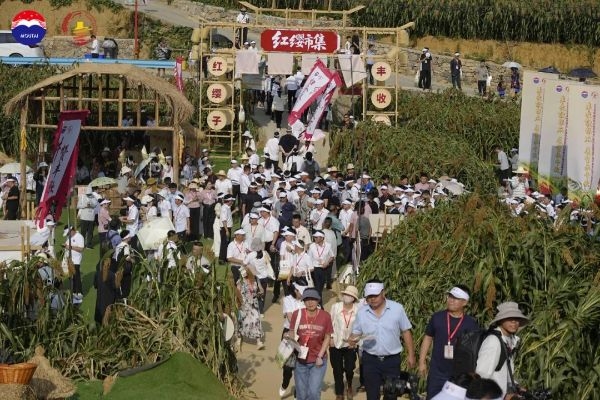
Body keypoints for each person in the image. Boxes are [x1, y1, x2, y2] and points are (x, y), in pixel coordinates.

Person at [348, 279, 416, 400]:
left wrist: (411, 355)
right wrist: (352, 339)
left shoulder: (397, 309)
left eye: (375, 295)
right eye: (369, 296)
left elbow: (406, 331)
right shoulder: (362, 312)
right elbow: (356, 332)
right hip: (370, 360)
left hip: (392, 361)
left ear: (383, 293)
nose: (372, 299)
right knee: (372, 395)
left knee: (391, 395)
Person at [418, 286, 480, 399]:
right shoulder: (437, 317)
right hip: (437, 372)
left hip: (459, 375)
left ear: (465, 302)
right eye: (450, 296)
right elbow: (428, 338)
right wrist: (422, 362)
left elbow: (474, 350)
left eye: (456, 298)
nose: (451, 300)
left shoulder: (471, 324)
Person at [285, 288, 333, 400]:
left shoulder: (325, 316)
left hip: (318, 360)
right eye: (307, 299)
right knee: (301, 394)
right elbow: (292, 331)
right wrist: (288, 336)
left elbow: (327, 337)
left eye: (313, 299)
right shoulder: (297, 314)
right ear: (303, 301)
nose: (310, 302)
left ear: (318, 300)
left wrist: (320, 356)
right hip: (300, 360)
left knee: (314, 392)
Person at [476, 302, 530, 398]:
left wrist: (516, 386)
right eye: (509, 318)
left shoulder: (510, 340)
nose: (514, 321)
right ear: (500, 320)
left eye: (516, 318)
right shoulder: (493, 341)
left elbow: (504, 373)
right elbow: (482, 376)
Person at [329, 285, 360, 400]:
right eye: (346, 294)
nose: (347, 296)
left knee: (349, 368)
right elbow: (330, 323)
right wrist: (331, 338)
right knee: (337, 369)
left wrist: (355, 341)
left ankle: (349, 385)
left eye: (350, 295)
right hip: (336, 343)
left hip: (350, 345)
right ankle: (339, 393)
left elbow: (361, 327)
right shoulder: (335, 307)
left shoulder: (358, 310)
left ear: (354, 298)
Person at [279, 281, 307, 398]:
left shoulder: (307, 300)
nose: (304, 294)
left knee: (301, 365)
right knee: (288, 366)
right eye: (302, 292)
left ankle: (297, 391)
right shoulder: (287, 300)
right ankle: (285, 383)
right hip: (289, 333)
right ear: (295, 290)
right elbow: (291, 317)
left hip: (305, 333)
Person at [236, 266, 265, 350]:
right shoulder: (240, 281)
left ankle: (258, 342)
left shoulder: (256, 279)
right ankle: (239, 338)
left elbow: (261, 289)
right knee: (242, 322)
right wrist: (238, 303)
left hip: (254, 304)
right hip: (244, 305)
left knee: (256, 321)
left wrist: (260, 293)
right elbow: (237, 292)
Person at [62, 226, 85, 304]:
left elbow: (81, 249)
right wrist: (65, 246)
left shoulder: (79, 237)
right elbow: (67, 245)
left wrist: (70, 247)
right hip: (69, 260)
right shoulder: (69, 237)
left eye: (68, 233)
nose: (68, 235)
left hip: (76, 260)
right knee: (72, 277)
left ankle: (79, 293)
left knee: (76, 276)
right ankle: (74, 292)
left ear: (72, 230)